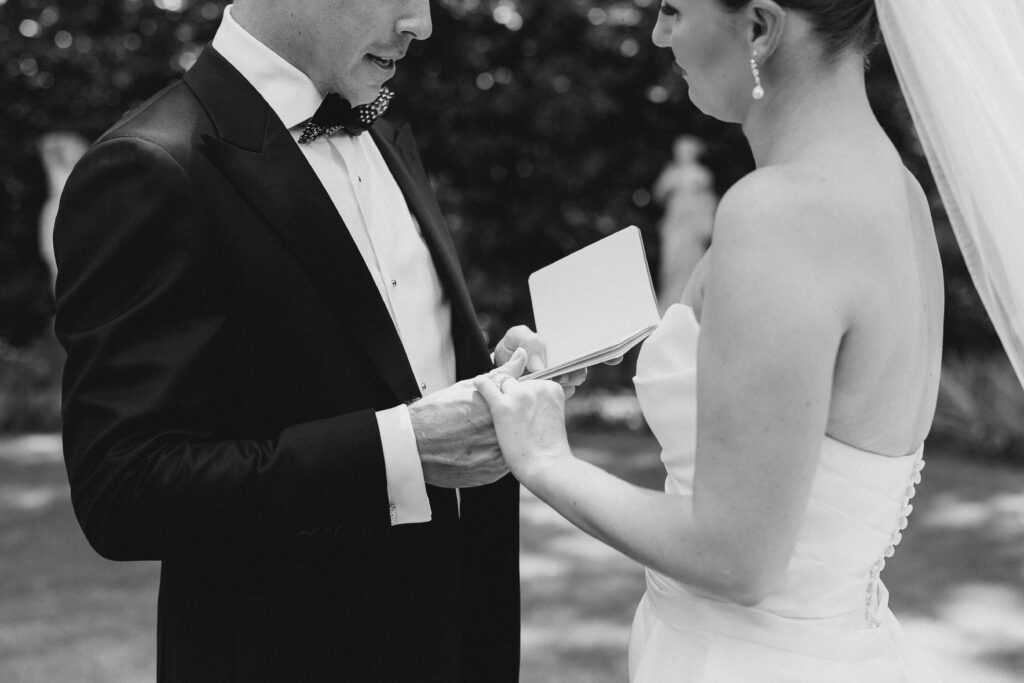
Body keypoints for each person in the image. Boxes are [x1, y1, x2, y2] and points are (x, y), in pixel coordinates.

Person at [52, 1, 580, 680]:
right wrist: (403, 445)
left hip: (458, 636)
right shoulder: (150, 166)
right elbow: (123, 490)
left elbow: (379, 366)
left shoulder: (380, 127)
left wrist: (487, 380)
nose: (422, 24)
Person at [475, 0, 955, 680]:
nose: (659, 33)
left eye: (673, 8)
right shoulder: (894, 192)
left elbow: (735, 557)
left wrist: (546, 459)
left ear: (759, 26)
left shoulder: (782, 213)